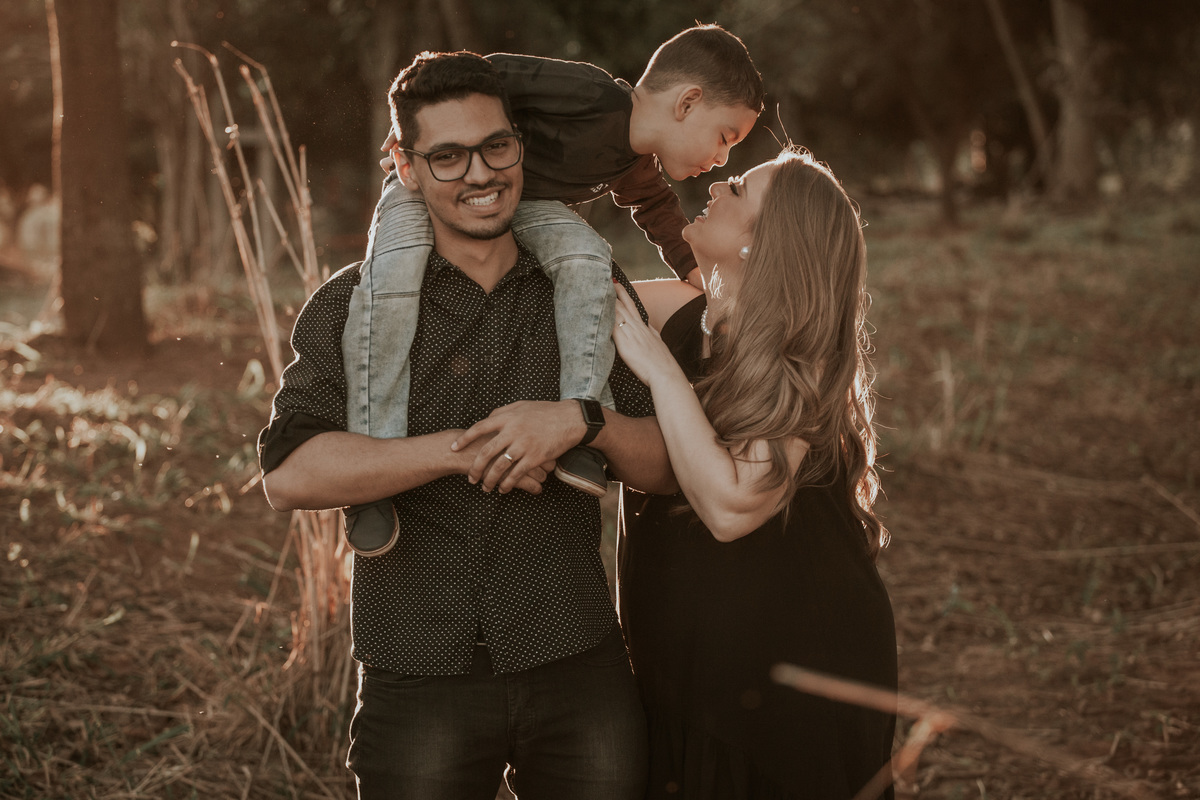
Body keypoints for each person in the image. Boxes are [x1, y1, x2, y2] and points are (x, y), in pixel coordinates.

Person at [257, 51, 677, 800]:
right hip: (417, 666)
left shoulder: (587, 289)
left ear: (520, 145)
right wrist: (462, 452)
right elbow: (288, 475)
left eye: (496, 147)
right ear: (405, 165)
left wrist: (581, 423)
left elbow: (666, 468)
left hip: (575, 653)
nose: (480, 174)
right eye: (447, 156)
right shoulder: (352, 305)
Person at [343, 25, 763, 555]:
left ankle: (582, 422)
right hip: (433, 186)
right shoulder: (591, 94)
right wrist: (414, 124)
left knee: (589, 259)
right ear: (688, 102)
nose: (722, 158)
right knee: (391, 278)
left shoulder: (635, 165)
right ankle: (371, 466)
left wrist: (704, 280)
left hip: (520, 205)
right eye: (725, 137)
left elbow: (658, 212)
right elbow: (490, 72)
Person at [611, 148, 898, 799]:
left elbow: (731, 506)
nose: (716, 185)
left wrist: (658, 371)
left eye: (738, 189)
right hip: (684, 662)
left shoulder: (801, 358)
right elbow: (556, 295)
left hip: (792, 680)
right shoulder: (678, 316)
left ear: (761, 246)